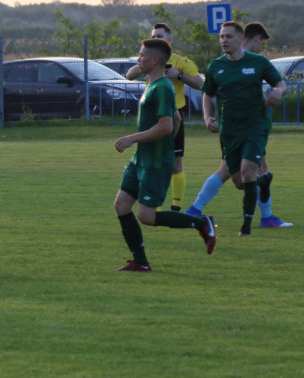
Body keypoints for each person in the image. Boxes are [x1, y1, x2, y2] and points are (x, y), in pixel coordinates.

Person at [112, 39, 217, 272]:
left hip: (155, 163)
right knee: (121, 205)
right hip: (142, 160)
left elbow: (166, 126)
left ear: (155, 60)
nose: (138, 59)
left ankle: (202, 223)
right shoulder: (153, 84)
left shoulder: (162, 88)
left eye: (141, 56)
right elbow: (177, 120)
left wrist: (133, 138)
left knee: (147, 216)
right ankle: (140, 261)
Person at [185, 22, 293, 228]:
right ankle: (263, 203)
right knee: (238, 180)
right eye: (221, 37)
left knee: (252, 169)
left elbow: (280, 83)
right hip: (230, 131)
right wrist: (207, 117)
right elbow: (208, 94)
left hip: (255, 127)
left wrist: (278, 92)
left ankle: (266, 217)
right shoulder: (216, 66)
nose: (224, 40)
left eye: (228, 37)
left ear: (240, 38)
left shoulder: (259, 62)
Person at [125, 23, 205, 211]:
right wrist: (143, 67)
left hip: (172, 117)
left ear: (169, 40)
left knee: (175, 162)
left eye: (160, 36)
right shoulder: (150, 61)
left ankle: (176, 205)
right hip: (151, 119)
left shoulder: (181, 61)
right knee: (149, 161)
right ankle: (153, 204)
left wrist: (179, 77)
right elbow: (129, 75)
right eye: (154, 36)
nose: (156, 39)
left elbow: (200, 83)